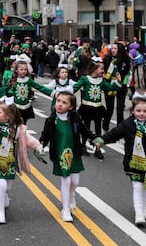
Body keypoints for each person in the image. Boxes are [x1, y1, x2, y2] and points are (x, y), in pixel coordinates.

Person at [95, 94, 146, 226]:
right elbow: (114, 134)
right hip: (132, 160)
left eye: (145, 111)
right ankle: (139, 213)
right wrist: (102, 140)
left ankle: (145, 208)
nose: (141, 113)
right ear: (132, 111)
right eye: (138, 111)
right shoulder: (127, 124)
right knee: (137, 185)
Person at [39, 91, 92, 222]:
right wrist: (41, 144)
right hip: (60, 154)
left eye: (64, 102)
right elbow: (45, 135)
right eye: (58, 101)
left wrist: (94, 139)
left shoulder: (75, 119)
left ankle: (70, 195)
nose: (60, 104)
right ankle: (65, 209)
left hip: (74, 153)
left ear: (71, 107)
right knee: (66, 181)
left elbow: (84, 130)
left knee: (75, 182)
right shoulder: (51, 120)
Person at [74, 60, 122, 159]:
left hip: (98, 108)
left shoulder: (102, 81)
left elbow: (111, 88)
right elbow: (75, 88)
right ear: (95, 69)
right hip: (86, 107)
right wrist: (65, 92)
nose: (103, 71)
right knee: (85, 128)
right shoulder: (85, 79)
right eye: (101, 68)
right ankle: (83, 146)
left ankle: (97, 149)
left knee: (98, 129)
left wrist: (118, 81)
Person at [101, 42, 133, 129]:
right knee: (109, 109)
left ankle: (120, 129)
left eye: (115, 49)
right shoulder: (107, 59)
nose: (113, 50)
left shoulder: (125, 60)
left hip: (120, 86)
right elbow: (102, 69)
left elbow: (127, 73)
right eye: (112, 48)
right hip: (109, 85)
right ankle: (105, 126)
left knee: (120, 110)